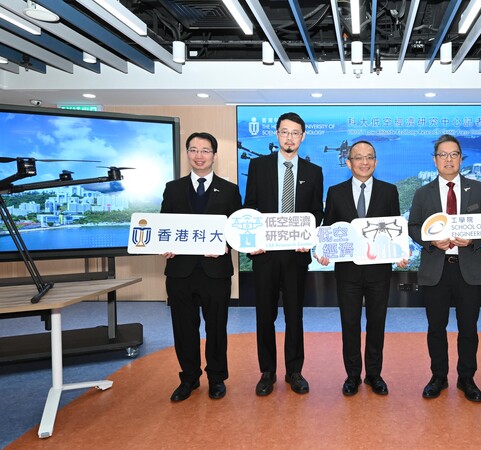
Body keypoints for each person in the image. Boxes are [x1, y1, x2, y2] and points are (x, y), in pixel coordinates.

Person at [408, 134, 481, 402]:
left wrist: (473, 239)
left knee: (468, 328)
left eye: (454, 154)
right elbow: (413, 226)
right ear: (435, 160)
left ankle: (466, 378)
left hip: (466, 268)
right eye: (443, 155)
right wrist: (430, 241)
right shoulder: (422, 193)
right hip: (436, 268)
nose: (448, 159)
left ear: (461, 158)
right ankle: (438, 377)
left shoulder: (478, 189)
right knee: (436, 327)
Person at [244, 112, 324, 396]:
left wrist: (309, 237)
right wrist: (253, 239)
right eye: (284, 132)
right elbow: (250, 208)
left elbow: (317, 212)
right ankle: (267, 371)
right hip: (265, 255)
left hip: (295, 255)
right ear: (277, 134)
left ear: (303, 137)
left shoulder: (314, 172)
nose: (289, 138)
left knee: (294, 315)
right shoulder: (258, 166)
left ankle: (294, 371)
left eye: (295, 133)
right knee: (264, 315)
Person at [318, 140, 406, 396]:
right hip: (347, 273)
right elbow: (330, 228)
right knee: (350, 324)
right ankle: (353, 375)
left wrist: (399, 252)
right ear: (349, 162)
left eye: (369, 157)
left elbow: (395, 229)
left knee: (377, 323)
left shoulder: (389, 191)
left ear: (376, 162)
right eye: (358, 157)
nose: (364, 162)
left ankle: (374, 375)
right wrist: (323, 251)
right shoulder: (335, 192)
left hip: (379, 272)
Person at [161, 131, 242, 402]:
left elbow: (237, 229)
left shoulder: (230, 190)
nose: (199, 155)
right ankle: (189, 378)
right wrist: (165, 244)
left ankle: (217, 378)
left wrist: (227, 245)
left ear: (215, 156)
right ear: (187, 154)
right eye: (194, 150)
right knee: (184, 328)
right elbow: (164, 226)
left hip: (215, 271)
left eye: (205, 150)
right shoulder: (172, 188)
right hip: (180, 271)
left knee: (216, 328)